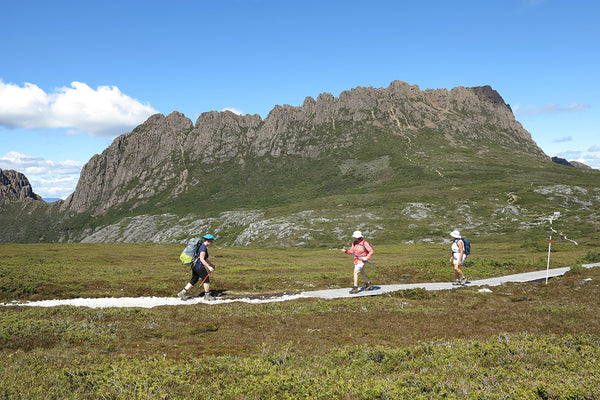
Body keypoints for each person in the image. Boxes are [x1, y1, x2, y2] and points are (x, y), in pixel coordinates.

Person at [178, 234, 216, 300]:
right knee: (206, 279)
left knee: (194, 279)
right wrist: (209, 267)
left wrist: (211, 264)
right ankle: (207, 296)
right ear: (208, 241)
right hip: (199, 266)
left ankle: (183, 292)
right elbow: (202, 258)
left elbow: (205, 258)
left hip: (194, 265)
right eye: (211, 241)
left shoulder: (201, 246)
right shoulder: (203, 247)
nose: (211, 242)